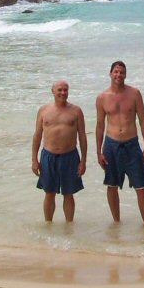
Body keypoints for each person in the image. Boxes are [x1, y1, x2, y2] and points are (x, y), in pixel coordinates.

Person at [95, 60, 144, 224]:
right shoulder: (102, 98)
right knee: (112, 185)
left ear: (125, 75)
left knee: (141, 186)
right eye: (116, 72)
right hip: (111, 145)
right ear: (110, 74)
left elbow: (143, 121)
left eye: (122, 72)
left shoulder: (134, 94)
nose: (119, 75)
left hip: (132, 144)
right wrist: (98, 152)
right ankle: (116, 222)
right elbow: (99, 126)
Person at [32, 80, 87, 222]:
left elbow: (82, 136)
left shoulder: (76, 111)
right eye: (60, 90)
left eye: (65, 90)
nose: (63, 93)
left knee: (69, 193)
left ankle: (69, 226)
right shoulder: (44, 111)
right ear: (53, 91)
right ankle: (48, 225)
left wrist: (83, 161)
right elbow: (37, 135)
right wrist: (34, 160)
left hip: (70, 156)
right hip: (48, 156)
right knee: (49, 193)